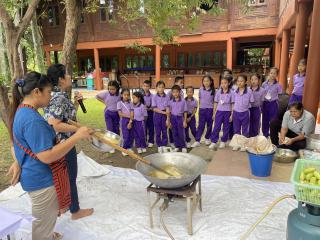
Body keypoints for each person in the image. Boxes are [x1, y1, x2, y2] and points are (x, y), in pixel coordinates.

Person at [10, 72, 92, 240]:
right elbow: (46, 156)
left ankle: (47, 232)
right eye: (48, 92)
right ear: (36, 92)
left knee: (45, 219)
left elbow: (21, 142)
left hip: (35, 176)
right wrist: (76, 137)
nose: (51, 96)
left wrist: (18, 161)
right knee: (42, 226)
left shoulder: (24, 111)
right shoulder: (31, 119)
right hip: (41, 180)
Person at [44, 64, 94, 221]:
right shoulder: (58, 97)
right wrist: (78, 132)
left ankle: (63, 205)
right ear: (60, 79)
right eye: (67, 75)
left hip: (58, 143)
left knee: (62, 176)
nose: (70, 77)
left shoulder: (53, 95)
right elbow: (55, 124)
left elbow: (66, 119)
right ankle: (75, 210)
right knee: (70, 177)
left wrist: (76, 104)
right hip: (64, 144)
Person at [231, 75, 254, 151]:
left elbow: (251, 101)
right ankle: (237, 144)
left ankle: (244, 145)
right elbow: (233, 102)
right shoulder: (234, 91)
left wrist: (246, 107)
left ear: (245, 82)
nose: (240, 83)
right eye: (238, 81)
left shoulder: (249, 91)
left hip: (245, 113)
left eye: (242, 81)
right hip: (236, 113)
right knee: (236, 129)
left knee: (245, 130)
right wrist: (232, 113)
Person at [192, 75, 215, 147]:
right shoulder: (201, 89)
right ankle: (197, 140)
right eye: (204, 81)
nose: (206, 82)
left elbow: (215, 102)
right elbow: (200, 99)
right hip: (202, 110)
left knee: (209, 125)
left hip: (210, 110)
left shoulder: (214, 90)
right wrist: (200, 108)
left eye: (207, 81)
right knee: (201, 125)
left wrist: (214, 112)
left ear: (211, 82)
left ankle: (207, 138)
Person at [209, 76, 233, 149]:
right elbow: (215, 102)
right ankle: (214, 141)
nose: (223, 85)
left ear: (228, 83)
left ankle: (223, 141)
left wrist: (232, 114)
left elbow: (232, 104)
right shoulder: (218, 92)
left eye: (225, 83)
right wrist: (214, 113)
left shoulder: (232, 92)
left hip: (227, 112)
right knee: (216, 127)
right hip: (219, 112)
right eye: (222, 83)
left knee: (226, 127)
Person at [96, 80, 121, 146]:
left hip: (116, 114)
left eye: (113, 89)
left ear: (117, 88)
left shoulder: (119, 94)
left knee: (116, 128)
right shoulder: (106, 93)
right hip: (108, 113)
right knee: (110, 128)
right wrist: (104, 102)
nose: (111, 90)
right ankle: (110, 144)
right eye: (110, 89)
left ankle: (117, 142)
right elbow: (97, 96)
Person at [261, 67, 282, 137]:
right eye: (271, 73)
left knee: (273, 120)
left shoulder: (278, 85)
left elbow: (280, 95)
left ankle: (273, 134)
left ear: (277, 75)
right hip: (265, 103)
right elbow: (262, 94)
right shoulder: (264, 84)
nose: (272, 75)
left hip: (273, 104)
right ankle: (265, 134)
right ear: (268, 73)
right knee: (265, 119)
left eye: (274, 73)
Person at [168, 85, 188, 152]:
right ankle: (177, 146)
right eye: (173, 92)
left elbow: (185, 111)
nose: (175, 94)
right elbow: (169, 112)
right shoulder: (170, 102)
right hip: (173, 118)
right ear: (172, 93)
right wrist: (169, 121)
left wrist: (184, 121)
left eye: (177, 92)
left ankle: (183, 146)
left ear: (179, 92)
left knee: (181, 133)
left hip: (180, 118)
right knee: (174, 133)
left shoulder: (183, 101)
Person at [152, 81, 170, 153]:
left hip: (165, 115)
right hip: (157, 115)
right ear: (156, 88)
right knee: (158, 131)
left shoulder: (167, 97)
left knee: (165, 130)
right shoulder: (154, 97)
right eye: (159, 87)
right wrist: (164, 112)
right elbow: (154, 108)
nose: (161, 88)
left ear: (164, 88)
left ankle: (164, 145)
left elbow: (168, 108)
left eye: (162, 87)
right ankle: (159, 145)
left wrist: (168, 118)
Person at [167, 76, 184, 148]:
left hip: (179, 114)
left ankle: (180, 143)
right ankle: (172, 141)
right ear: (175, 83)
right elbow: (168, 103)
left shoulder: (182, 92)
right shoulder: (170, 92)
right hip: (171, 112)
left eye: (182, 83)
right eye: (181, 83)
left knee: (179, 129)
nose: (182, 84)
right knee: (171, 128)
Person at [117, 88, 134, 156]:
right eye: (125, 95)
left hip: (130, 120)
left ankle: (129, 147)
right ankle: (124, 149)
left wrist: (130, 121)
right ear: (121, 95)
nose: (126, 96)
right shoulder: (119, 103)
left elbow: (132, 112)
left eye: (128, 95)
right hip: (124, 121)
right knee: (125, 136)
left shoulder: (131, 103)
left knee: (131, 135)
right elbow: (120, 114)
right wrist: (129, 116)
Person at [141, 80, 154, 148]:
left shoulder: (152, 96)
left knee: (151, 127)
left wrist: (149, 108)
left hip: (150, 112)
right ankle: (144, 141)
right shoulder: (140, 96)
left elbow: (153, 105)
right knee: (144, 127)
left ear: (150, 87)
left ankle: (151, 141)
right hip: (143, 113)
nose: (146, 87)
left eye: (147, 86)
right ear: (142, 86)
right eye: (144, 86)